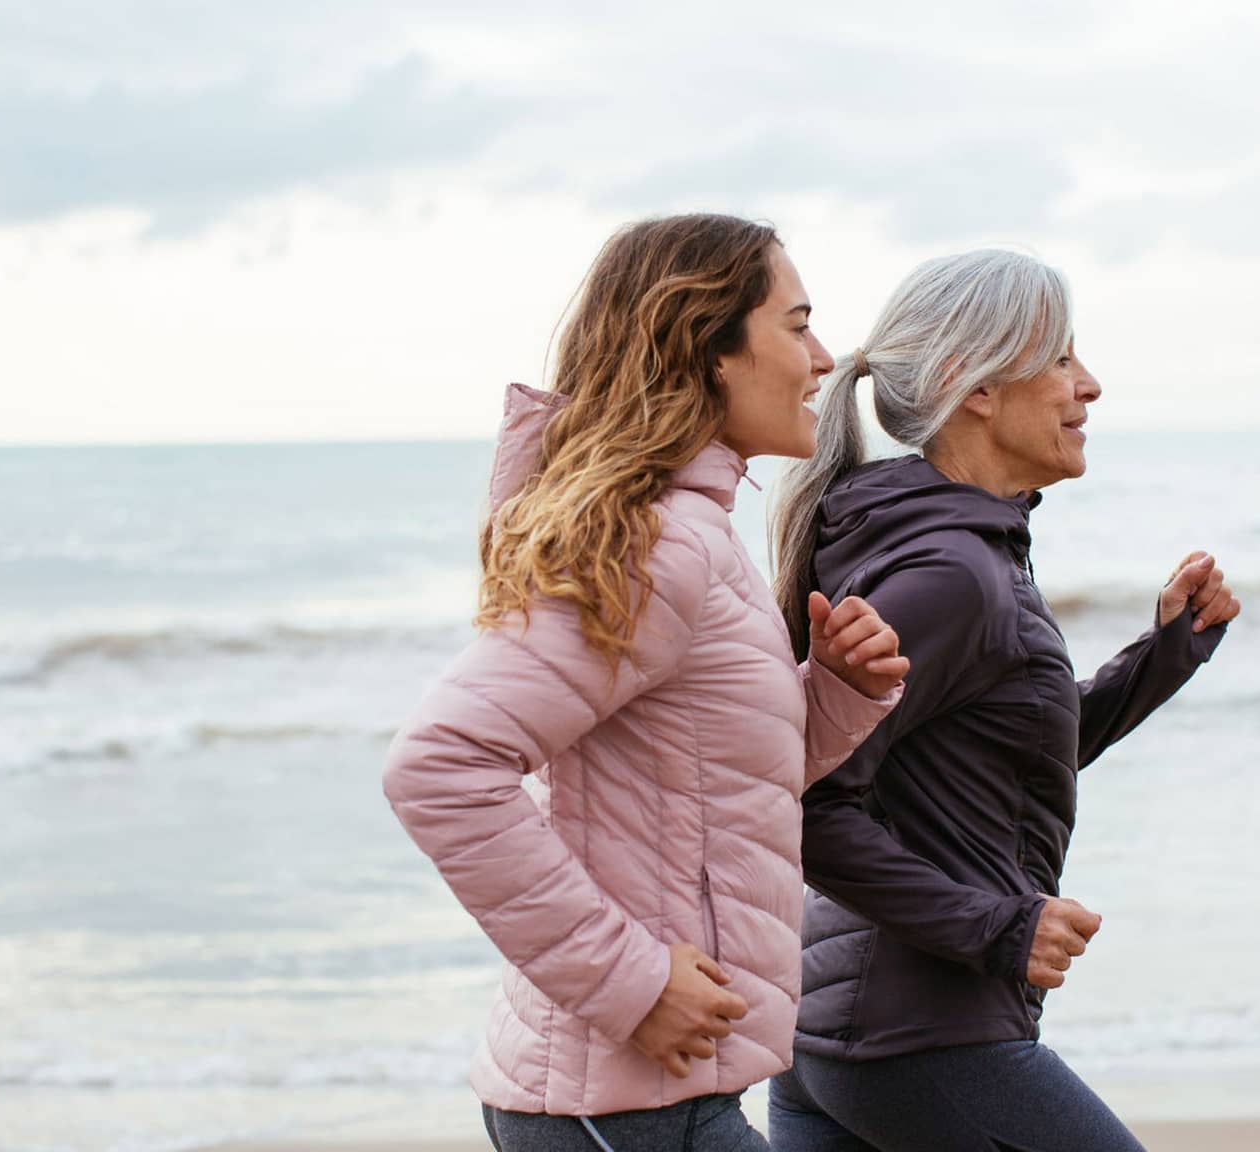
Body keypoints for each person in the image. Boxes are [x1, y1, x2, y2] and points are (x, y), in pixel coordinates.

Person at [382, 214, 909, 1151]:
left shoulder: (692, 530)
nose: (824, 359)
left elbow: (717, 785)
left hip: (654, 1096)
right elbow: (441, 766)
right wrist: (626, 980)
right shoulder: (658, 543)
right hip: (623, 1103)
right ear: (711, 350)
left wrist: (835, 691)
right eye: (796, 325)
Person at [766, 250, 1241, 1151]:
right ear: (971, 386)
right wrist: (1000, 928)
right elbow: (800, 799)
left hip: (855, 1038)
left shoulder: (962, 551)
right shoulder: (952, 573)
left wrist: (1163, 656)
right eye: (1060, 358)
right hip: (918, 1036)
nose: (1089, 386)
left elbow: (993, 757)